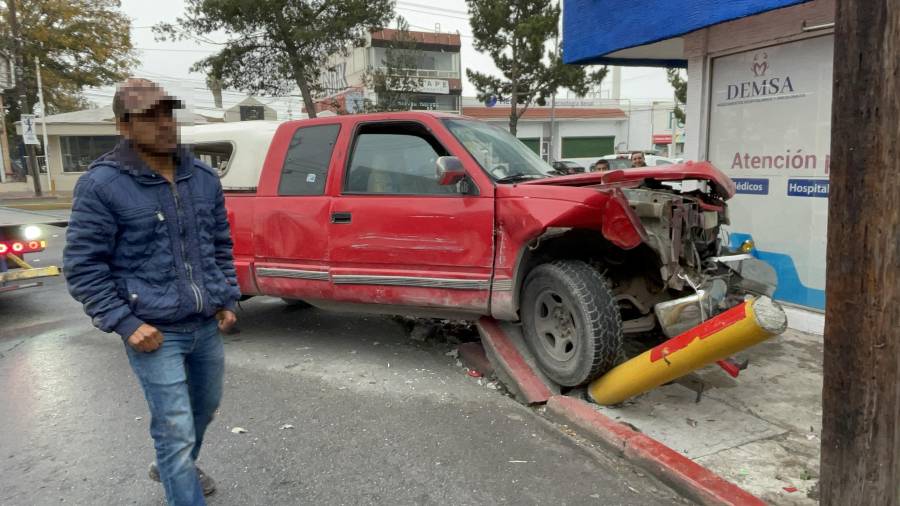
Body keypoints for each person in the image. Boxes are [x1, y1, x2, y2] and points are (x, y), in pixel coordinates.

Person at [63, 78, 240, 506]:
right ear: (123, 126)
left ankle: (169, 465)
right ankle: (180, 478)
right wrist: (126, 323)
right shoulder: (102, 185)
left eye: (167, 114)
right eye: (148, 117)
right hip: (153, 331)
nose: (163, 124)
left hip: (203, 325)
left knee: (205, 409)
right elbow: (83, 266)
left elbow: (219, 243)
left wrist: (227, 295)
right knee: (175, 427)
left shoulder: (202, 177)